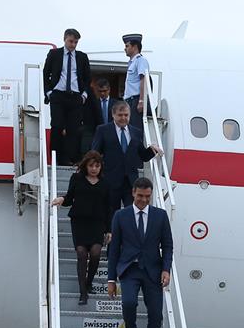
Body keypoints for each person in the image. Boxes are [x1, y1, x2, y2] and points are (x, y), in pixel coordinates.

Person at [106, 177, 173, 328]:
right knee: (128, 303)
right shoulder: (121, 216)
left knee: (156, 316)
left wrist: (166, 269)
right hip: (130, 269)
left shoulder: (160, 216)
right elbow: (114, 250)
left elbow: (167, 246)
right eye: (140, 196)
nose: (144, 200)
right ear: (133, 193)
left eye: (147, 197)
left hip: (153, 271)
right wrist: (111, 279)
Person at [52, 150, 112, 305]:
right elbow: (69, 198)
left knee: (96, 253)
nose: (94, 169)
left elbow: (109, 208)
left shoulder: (106, 183)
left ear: (101, 167)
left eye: (97, 166)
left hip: (97, 223)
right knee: (81, 253)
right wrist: (61, 199)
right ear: (86, 165)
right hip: (79, 221)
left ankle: (89, 281)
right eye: (91, 165)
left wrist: (109, 229)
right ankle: (83, 292)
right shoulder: (77, 178)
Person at [90, 102, 162, 213]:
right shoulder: (103, 130)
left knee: (131, 212)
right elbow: (94, 153)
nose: (123, 118)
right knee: (111, 212)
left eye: (126, 115)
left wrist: (152, 150)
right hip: (110, 179)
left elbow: (143, 156)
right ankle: (111, 231)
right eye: (120, 115)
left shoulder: (136, 132)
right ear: (113, 115)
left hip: (131, 182)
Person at [43, 29, 92, 166]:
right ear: (64, 39)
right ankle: (55, 157)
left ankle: (70, 158)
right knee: (57, 126)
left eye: (76, 42)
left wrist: (84, 95)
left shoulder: (82, 57)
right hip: (58, 95)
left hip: (75, 97)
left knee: (73, 129)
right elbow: (46, 73)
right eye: (71, 41)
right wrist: (48, 93)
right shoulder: (54, 54)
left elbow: (87, 78)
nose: (73, 45)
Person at [83, 78, 119, 151]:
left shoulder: (116, 103)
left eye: (104, 91)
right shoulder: (93, 104)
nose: (102, 93)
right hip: (98, 135)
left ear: (109, 90)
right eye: (100, 91)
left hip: (113, 135)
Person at [122, 34, 150, 123]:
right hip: (129, 100)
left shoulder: (140, 60)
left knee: (135, 127)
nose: (125, 49)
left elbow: (143, 80)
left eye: (127, 46)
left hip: (136, 99)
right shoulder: (132, 62)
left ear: (134, 47)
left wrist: (141, 100)